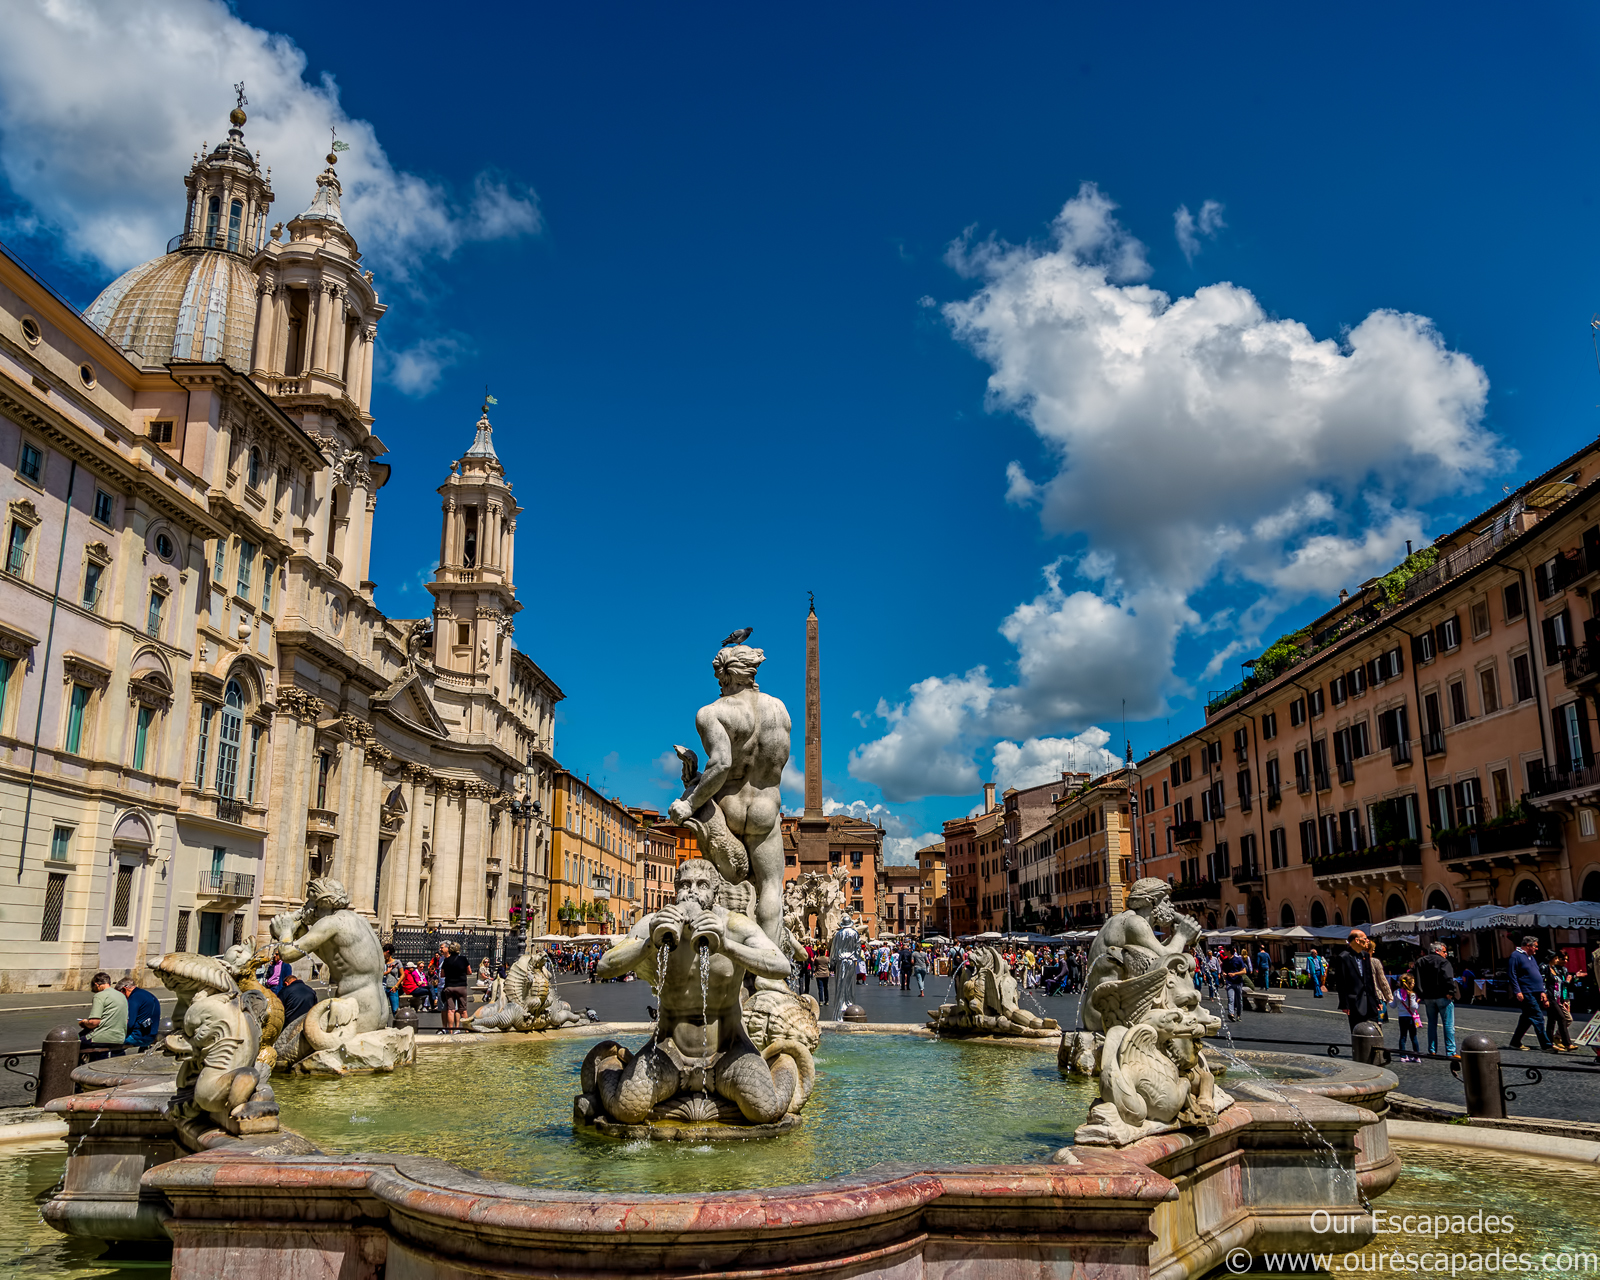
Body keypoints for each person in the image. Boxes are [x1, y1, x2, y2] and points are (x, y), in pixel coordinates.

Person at [1508, 935, 1552, 1051]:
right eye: (1535, 946)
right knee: (1538, 1017)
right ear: (1528, 946)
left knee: (1527, 1019)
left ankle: (1515, 1042)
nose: (1537, 949)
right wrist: (1517, 991)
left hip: (1536, 991)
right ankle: (1546, 1045)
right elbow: (1512, 975)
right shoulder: (1515, 956)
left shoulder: (1531, 957)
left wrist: (1542, 991)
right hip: (1526, 992)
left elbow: (1536, 974)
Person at [1333, 931, 1382, 1033]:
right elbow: (1341, 983)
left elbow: (1369, 980)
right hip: (1355, 1002)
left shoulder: (1365, 955)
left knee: (1375, 1030)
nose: (1367, 941)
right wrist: (1344, 1004)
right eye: (1365, 939)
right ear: (1357, 940)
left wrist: (1376, 1000)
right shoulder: (1343, 957)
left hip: (1370, 1001)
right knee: (1358, 1031)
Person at [1414, 941, 1457, 1057]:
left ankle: (1432, 1049)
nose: (1446, 954)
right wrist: (1451, 992)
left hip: (1428, 997)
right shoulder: (1443, 962)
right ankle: (1451, 1051)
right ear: (1437, 951)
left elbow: (1416, 979)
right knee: (1448, 1024)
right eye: (1444, 951)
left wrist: (1420, 994)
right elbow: (1448, 978)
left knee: (1432, 1024)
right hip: (1443, 996)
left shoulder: (1420, 962)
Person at [78, 971, 127, 1058]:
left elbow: (94, 1022)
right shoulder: (121, 996)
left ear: (97, 985)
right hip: (119, 1037)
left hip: (100, 1038)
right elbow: (126, 1021)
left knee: (75, 1041)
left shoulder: (100, 996)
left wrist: (84, 1022)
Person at [116, 973, 161, 1052]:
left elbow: (129, 1024)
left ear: (124, 989)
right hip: (152, 1035)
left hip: (138, 1037)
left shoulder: (134, 998)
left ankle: (114, 1062)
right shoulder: (149, 995)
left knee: (109, 1042)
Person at [1543, 954, 1574, 1052]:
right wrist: (1545, 996)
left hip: (1558, 998)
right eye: (1556, 958)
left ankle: (1549, 1043)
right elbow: (1542, 982)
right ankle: (1567, 1043)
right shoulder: (1545, 968)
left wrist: (1563, 1000)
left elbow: (1561, 984)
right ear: (1551, 958)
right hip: (1551, 997)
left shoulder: (1555, 969)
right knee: (1562, 1018)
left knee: (1551, 1021)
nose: (1557, 960)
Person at [440, 942, 473, 1033]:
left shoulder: (446, 960)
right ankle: (467, 1030)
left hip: (450, 986)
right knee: (463, 1010)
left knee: (451, 1010)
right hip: (461, 986)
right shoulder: (463, 959)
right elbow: (469, 971)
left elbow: (442, 974)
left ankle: (451, 1031)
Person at [1392, 974, 1421, 1061]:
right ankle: (1416, 1056)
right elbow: (1413, 1006)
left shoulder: (1396, 993)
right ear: (1409, 984)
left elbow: (1393, 1005)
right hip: (1411, 1017)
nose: (1414, 984)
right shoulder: (1412, 994)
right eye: (1413, 983)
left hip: (1402, 1017)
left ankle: (1403, 1056)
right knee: (1413, 1037)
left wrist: (1389, 1000)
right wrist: (1417, 1002)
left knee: (1403, 1036)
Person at [1220, 947, 1249, 1021]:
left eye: (1225, 950)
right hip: (1229, 982)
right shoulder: (1225, 960)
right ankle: (1231, 1014)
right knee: (1231, 999)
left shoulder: (1238, 960)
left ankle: (1239, 1015)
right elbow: (1222, 969)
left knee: (1239, 1000)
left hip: (1238, 982)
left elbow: (1244, 971)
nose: (1223, 952)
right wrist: (1224, 973)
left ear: (1229, 951)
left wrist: (1234, 974)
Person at [382, 944, 402, 1015]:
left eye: (383, 952)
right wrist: (387, 972)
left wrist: (396, 986)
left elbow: (403, 975)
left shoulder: (397, 962)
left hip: (393, 988)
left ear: (387, 952)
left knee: (395, 1010)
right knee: (383, 1010)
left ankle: (396, 1025)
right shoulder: (382, 963)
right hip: (383, 988)